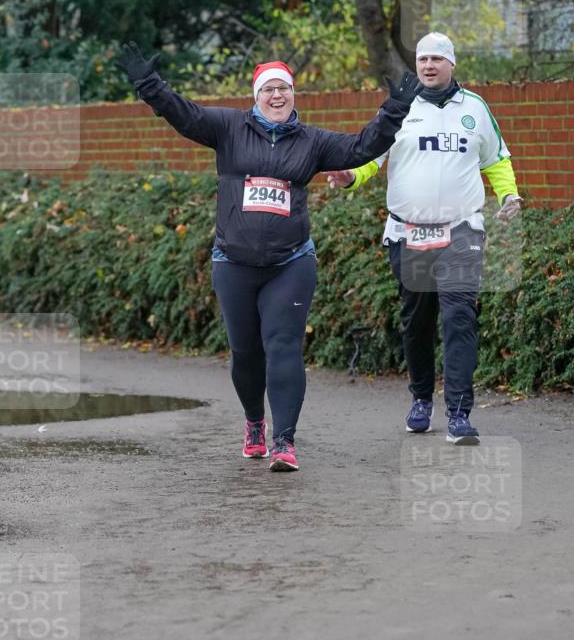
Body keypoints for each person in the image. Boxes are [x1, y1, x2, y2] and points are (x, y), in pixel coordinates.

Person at [117, 43, 422, 471]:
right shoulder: (228, 127)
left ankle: (284, 442)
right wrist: (148, 84)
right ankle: (255, 423)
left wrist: (395, 108)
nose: (277, 96)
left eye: (284, 89)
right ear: (256, 96)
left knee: (283, 346)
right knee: (246, 352)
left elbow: (361, 148)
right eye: (268, 89)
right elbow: (182, 113)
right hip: (234, 262)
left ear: (294, 94)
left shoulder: (312, 141)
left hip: (290, 261)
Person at [327, 32, 522, 446]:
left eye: (437, 58)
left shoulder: (475, 108)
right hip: (409, 233)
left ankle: (458, 413)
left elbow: (497, 159)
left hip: (462, 231)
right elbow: (371, 155)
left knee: (459, 318)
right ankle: (420, 398)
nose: (428, 66)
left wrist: (508, 195)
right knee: (417, 321)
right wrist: (349, 176)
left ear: (452, 64)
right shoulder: (401, 107)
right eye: (422, 59)